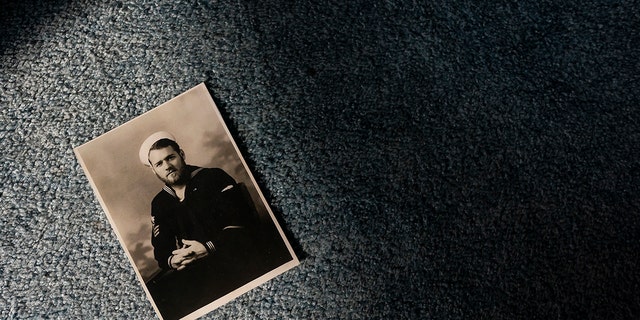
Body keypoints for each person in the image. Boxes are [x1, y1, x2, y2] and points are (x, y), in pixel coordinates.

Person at [139, 131, 263, 319]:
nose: (167, 166)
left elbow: (240, 220)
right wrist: (172, 261)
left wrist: (208, 247)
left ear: (182, 154)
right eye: (159, 163)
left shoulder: (213, 177)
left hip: (233, 258)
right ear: (153, 170)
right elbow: (161, 248)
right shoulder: (160, 203)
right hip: (196, 273)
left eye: (170, 157)